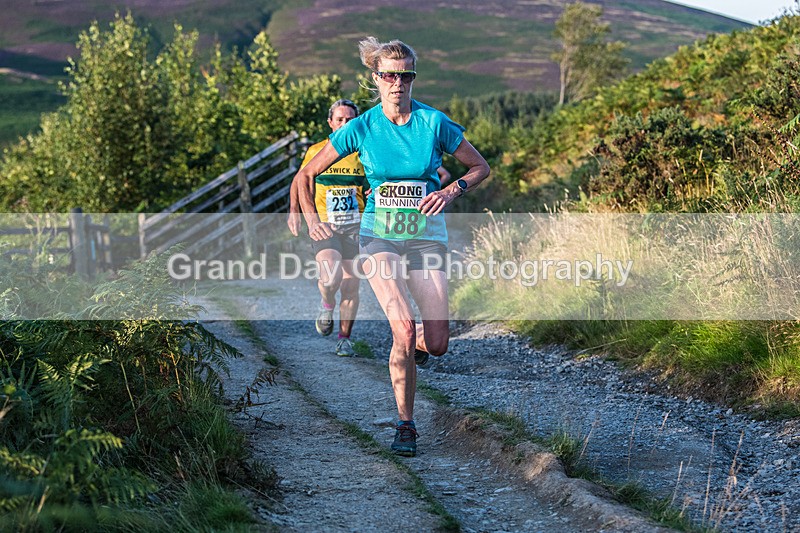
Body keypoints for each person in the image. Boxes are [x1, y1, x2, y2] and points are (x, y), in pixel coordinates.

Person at [294, 37, 490, 457]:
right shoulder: (361, 127)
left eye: (405, 75)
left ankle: (411, 348)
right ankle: (406, 424)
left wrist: (452, 190)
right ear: (376, 79)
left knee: (436, 343)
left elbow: (479, 167)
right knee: (401, 328)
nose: (397, 82)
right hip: (379, 236)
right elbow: (306, 175)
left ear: (413, 78)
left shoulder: (434, 124)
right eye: (389, 75)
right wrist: (313, 220)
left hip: (425, 238)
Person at [287, 99, 368, 357]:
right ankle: (327, 302)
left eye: (350, 120)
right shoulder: (317, 151)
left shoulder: (365, 153)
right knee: (331, 277)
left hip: (356, 226)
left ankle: (344, 339)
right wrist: (294, 211)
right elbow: (299, 180)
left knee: (351, 286)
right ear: (330, 123)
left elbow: (378, 181)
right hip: (325, 226)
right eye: (340, 120)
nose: (345, 124)